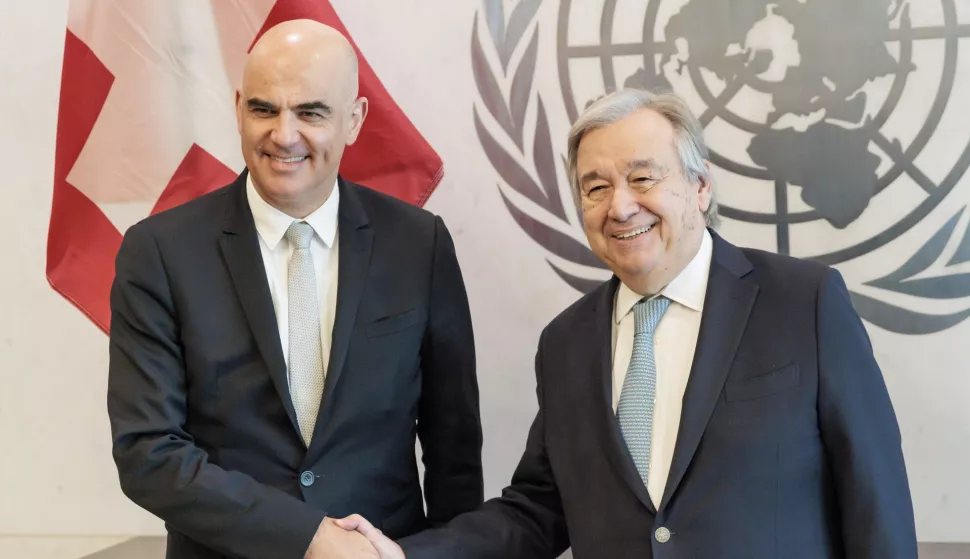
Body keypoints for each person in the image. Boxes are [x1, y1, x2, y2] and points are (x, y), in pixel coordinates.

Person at [338, 89, 918, 558]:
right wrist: (405, 557)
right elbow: (540, 508)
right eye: (595, 187)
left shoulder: (804, 303)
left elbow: (874, 500)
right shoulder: (565, 343)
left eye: (643, 178)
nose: (619, 206)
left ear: (700, 185)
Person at [107, 19, 483, 559]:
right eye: (264, 109)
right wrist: (308, 537)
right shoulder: (160, 252)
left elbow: (454, 447)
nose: (284, 135)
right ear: (238, 108)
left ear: (354, 120)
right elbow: (149, 453)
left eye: (311, 112)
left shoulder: (418, 244)